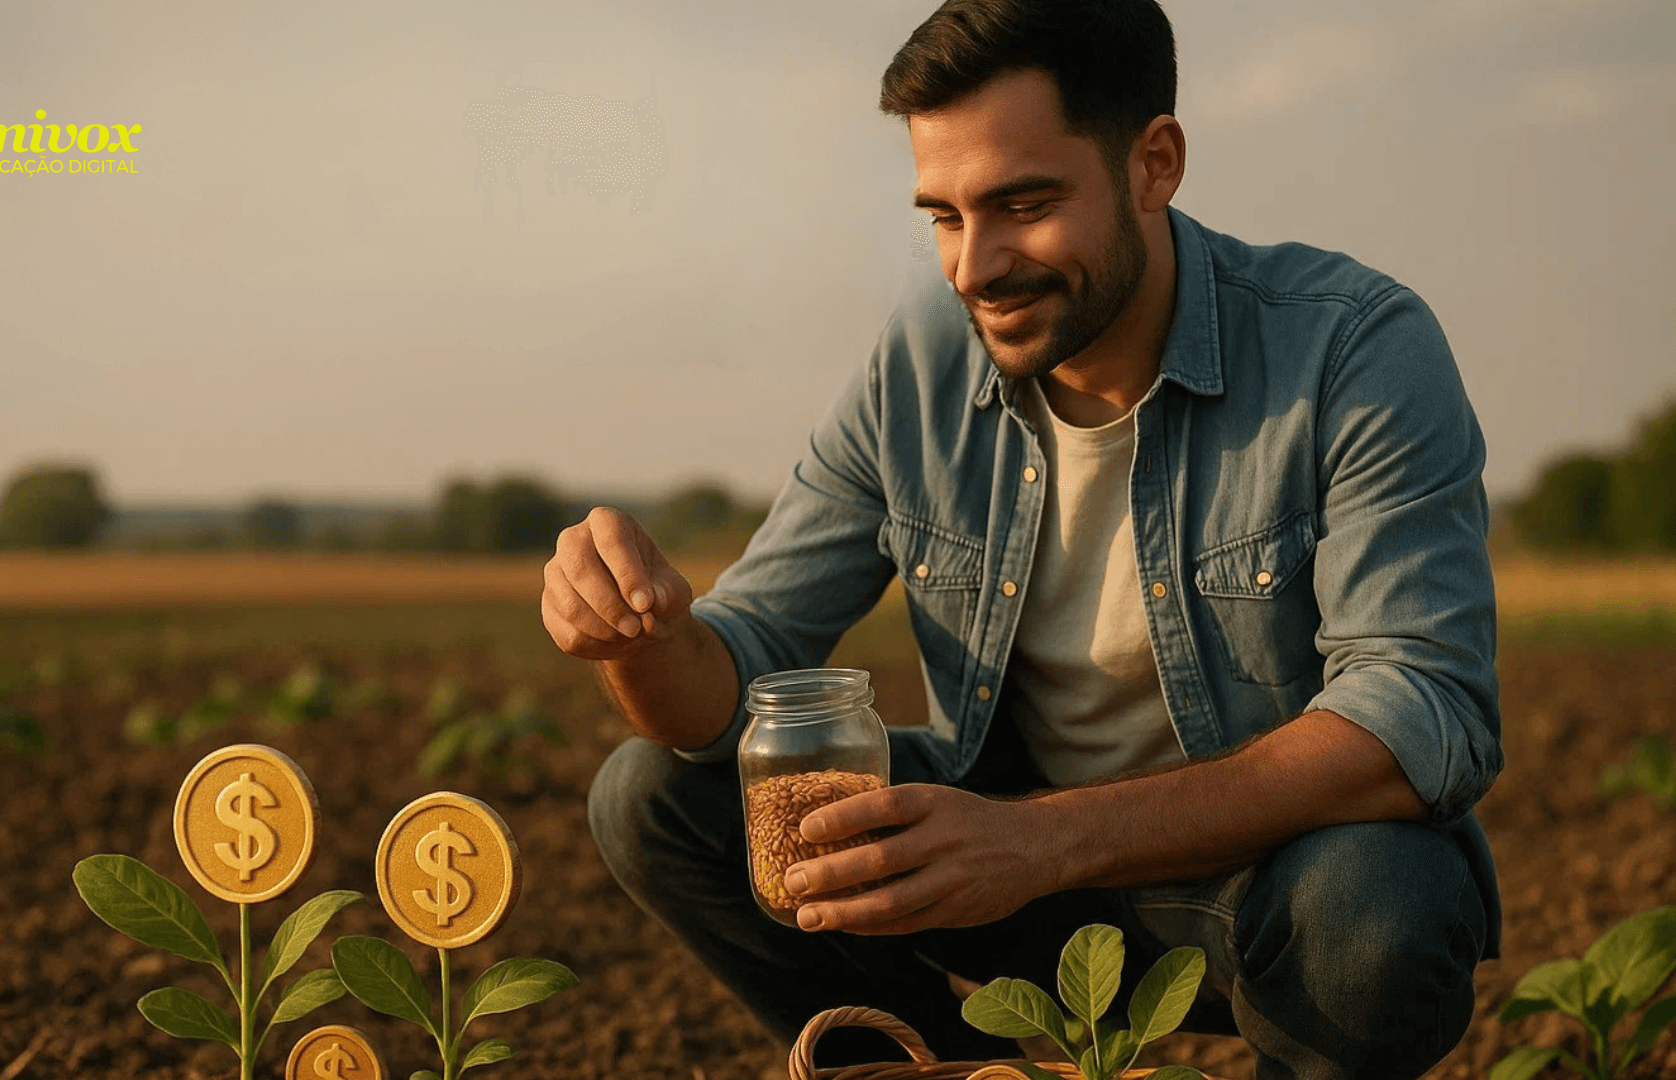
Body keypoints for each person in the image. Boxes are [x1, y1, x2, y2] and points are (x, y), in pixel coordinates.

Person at [541, 2, 1502, 1077]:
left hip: (1258, 891)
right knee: (658, 799)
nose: (973, 267)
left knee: (1377, 909)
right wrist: (641, 640)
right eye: (944, 216)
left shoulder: (1352, 348)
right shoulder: (921, 366)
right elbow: (745, 658)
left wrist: (1044, 841)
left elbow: (1418, 708)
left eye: (1024, 204)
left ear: (1155, 162)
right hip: (999, 876)